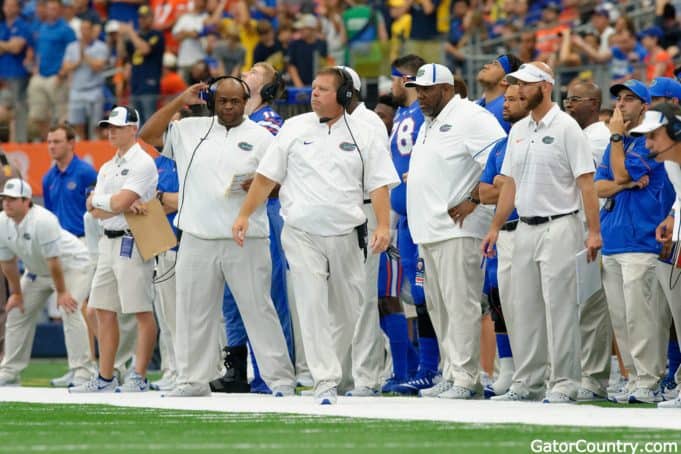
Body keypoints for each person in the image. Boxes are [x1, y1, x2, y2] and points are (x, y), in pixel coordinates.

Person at [232, 67, 399, 405]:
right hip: (301, 232)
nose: (314, 94)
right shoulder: (294, 128)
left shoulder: (366, 132)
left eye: (323, 89)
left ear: (344, 96)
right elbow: (266, 177)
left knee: (347, 309)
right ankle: (325, 379)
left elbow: (379, 184)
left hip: (347, 233)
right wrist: (244, 214)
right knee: (310, 304)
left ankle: (331, 369)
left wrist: (383, 225)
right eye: (313, 87)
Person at [139, 77, 295, 397]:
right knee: (192, 313)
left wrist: (261, 185)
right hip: (197, 236)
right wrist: (179, 100)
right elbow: (148, 135)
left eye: (235, 101)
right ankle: (192, 381)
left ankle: (280, 381)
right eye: (222, 100)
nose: (228, 107)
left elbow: (282, 182)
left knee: (259, 310)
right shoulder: (188, 130)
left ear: (245, 102)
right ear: (211, 101)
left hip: (246, 238)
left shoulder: (262, 137)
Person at [482, 62, 602, 403]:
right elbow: (510, 185)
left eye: (526, 85)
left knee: (561, 306)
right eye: (517, 84)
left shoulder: (566, 128)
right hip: (524, 227)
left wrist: (593, 231)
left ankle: (564, 382)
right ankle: (527, 381)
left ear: (545, 87)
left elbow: (586, 182)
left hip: (561, 224)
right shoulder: (519, 129)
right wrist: (494, 227)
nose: (519, 90)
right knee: (523, 307)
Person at [405, 63, 506, 400]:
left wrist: (473, 198)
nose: (419, 95)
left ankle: (466, 378)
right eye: (417, 89)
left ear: (446, 89)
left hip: (458, 229)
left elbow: (500, 162)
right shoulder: (428, 122)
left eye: (426, 89)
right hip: (428, 230)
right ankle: (451, 372)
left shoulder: (470, 116)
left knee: (460, 305)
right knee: (439, 306)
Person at [211, 63, 294, 395]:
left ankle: (270, 372)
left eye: (258, 70)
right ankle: (236, 367)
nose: (248, 71)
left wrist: (259, 182)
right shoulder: (229, 124)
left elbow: (277, 172)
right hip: (229, 213)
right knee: (231, 295)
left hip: (264, 212)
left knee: (265, 295)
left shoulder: (270, 122)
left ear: (269, 88)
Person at [70, 106, 158, 393]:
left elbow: (113, 205)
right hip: (108, 240)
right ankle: (105, 377)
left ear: (133, 129)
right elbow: (94, 210)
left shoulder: (142, 162)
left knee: (141, 311)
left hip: (133, 239)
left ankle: (139, 375)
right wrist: (111, 202)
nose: (111, 132)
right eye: (109, 127)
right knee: (101, 310)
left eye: (117, 127)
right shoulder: (108, 166)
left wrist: (103, 200)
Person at [596, 80, 670, 404]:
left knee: (642, 317)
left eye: (630, 99)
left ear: (645, 106)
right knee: (621, 318)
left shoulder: (651, 140)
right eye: (619, 99)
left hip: (642, 238)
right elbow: (599, 186)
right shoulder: (619, 146)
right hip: (613, 237)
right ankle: (633, 378)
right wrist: (623, 183)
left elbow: (621, 175)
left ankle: (649, 381)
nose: (621, 104)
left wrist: (615, 138)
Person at [383, 55, 441, 397]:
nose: (390, 86)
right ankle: (424, 367)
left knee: (425, 292)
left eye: (394, 79)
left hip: (422, 215)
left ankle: (432, 367)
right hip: (404, 216)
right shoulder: (405, 114)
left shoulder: (422, 114)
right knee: (414, 294)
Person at [0, 178, 93, 387]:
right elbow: (7, 263)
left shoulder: (43, 220)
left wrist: (61, 292)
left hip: (73, 265)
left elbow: (54, 262)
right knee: (16, 311)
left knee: (70, 309)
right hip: (38, 271)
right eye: (5, 198)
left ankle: (82, 372)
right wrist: (16, 293)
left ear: (27, 201)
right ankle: (9, 371)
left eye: (13, 199)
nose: (7, 203)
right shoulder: (1, 222)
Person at [477, 83, 529, 398]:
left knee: (531, 303)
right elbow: (484, 193)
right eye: (505, 99)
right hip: (503, 231)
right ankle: (507, 369)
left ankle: (535, 369)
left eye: (513, 100)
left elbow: (530, 185)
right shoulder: (500, 145)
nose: (505, 105)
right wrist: (506, 184)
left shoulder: (532, 140)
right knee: (499, 301)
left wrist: (506, 183)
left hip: (530, 226)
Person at [630, 102, 681, 408]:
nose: (647, 144)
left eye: (653, 136)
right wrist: (672, 217)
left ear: (676, 131)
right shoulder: (673, 164)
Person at [27, 0, 77, 141]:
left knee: (61, 116)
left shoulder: (66, 29)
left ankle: (62, 143)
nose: (51, 11)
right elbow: (38, 51)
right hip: (41, 75)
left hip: (57, 76)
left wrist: (63, 73)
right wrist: (36, 67)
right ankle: (48, 141)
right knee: (37, 116)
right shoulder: (42, 28)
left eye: (55, 8)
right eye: (49, 8)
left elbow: (73, 53)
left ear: (60, 10)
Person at [42, 122, 98, 238]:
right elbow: (49, 214)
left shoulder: (86, 173)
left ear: (71, 143)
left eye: (57, 142)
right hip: (58, 241)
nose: (51, 146)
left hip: (83, 240)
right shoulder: (48, 178)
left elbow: (98, 210)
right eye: (49, 142)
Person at [61, 17, 109, 139]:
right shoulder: (72, 47)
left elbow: (98, 66)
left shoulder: (101, 47)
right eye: (82, 29)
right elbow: (65, 67)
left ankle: (95, 149)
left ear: (92, 30)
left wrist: (84, 55)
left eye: (87, 29)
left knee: (95, 126)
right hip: (77, 90)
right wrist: (77, 62)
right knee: (77, 125)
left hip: (94, 90)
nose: (84, 32)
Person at [118, 5, 165, 125]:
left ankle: (151, 144)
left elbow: (145, 49)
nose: (142, 20)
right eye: (140, 18)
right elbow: (121, 53)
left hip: (149, 84)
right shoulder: (136, 37)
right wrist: (120, 37)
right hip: (135, 85)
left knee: (149, 120)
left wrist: (130, 32)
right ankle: (141, 143)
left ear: (152, 18)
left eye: (145, 17)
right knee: (137, 122)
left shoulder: (157, 35)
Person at [0, 0, 32, 142]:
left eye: (12, 5)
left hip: (18, 74)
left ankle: (20, 141)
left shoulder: (23, 25)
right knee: (4, 110)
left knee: (18, 109)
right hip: (2, 75)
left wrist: (4, 46)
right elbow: (12, 46)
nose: (9, 8)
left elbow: (17, 48)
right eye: (6, 5)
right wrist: (9, 45)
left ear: (18, 8)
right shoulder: (1, 25)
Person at [476, 54, 523, 132]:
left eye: (495, 64)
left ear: (505, 80)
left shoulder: (509, 109)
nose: (486, 66)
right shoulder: (477, 104)